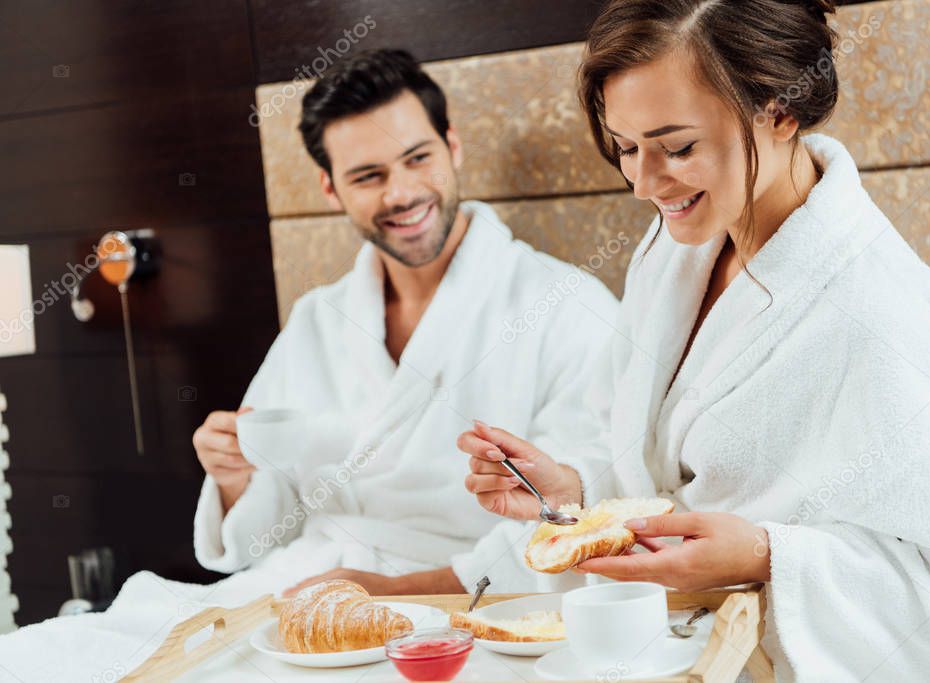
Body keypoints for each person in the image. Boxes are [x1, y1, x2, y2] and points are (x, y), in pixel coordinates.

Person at [457, 1, 930, 680]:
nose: (642, 183)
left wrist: (765, 554)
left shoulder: (879, 311)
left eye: (677, 147)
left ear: (778, 112)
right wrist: (573, 492)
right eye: (626, 147)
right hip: (672, 644)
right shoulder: (674, 251)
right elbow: (659, 469)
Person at [191, 48, 618, 601]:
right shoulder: (319, 320)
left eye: (418, 159)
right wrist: (234, 478)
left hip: (476, 598)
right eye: (368, 176)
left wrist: (400, 590)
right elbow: (264, 531)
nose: (401, 194)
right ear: (330, 188)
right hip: (312, 584)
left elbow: (591, 510)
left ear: (453, 145)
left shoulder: (567, 306)